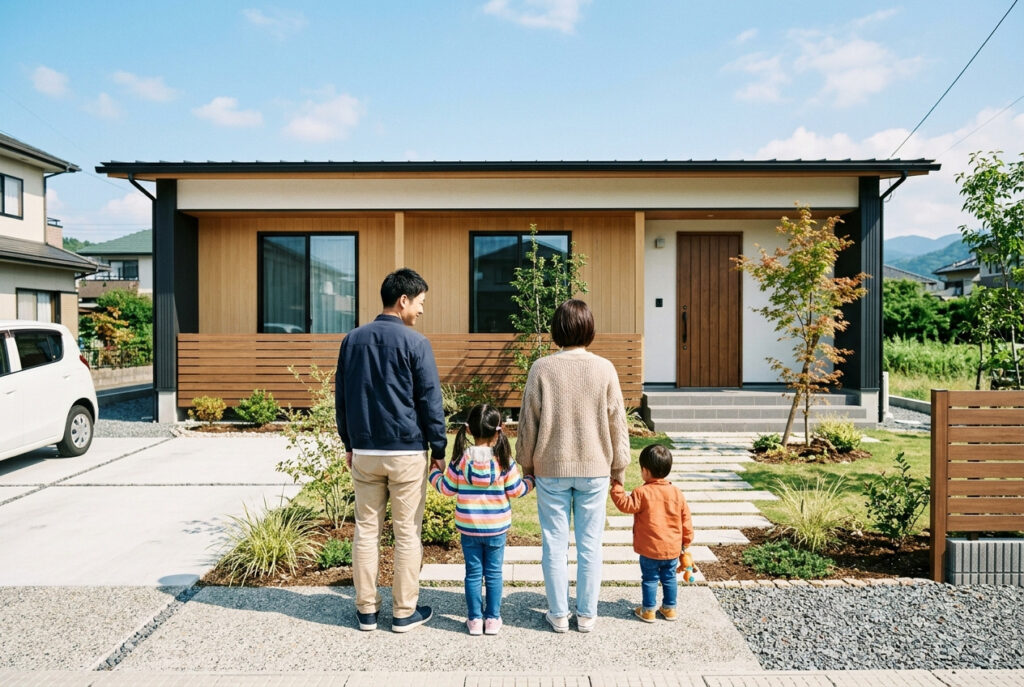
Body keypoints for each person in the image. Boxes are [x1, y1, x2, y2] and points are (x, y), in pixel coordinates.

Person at [335, 268, 446, 633]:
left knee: (366, 532)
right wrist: (439, 447)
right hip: (406, 453)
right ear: (403, 300)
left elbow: (342, 399)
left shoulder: (352, 340)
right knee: (406, 534)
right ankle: (403, 612)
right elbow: (430, 400)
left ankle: (366, 612)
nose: (422, 310)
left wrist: (349, 444)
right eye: (421, 302)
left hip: (365, 451)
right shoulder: (416, 344)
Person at [516, 298, 631, 633]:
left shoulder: (541, 368)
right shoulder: (605, 368)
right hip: (595, 468)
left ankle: (558, 614)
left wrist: (526, 464)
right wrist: (619, 470)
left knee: (554, 543)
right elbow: (617, 424)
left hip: (550, 467)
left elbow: (527, 424)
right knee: (590, 544)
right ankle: (587, 615)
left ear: (556, 330)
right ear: (589, 329)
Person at [429, 403, 534, 636]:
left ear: (468, 430)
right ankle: (493, 619)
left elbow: (446, 488)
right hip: (496, 528)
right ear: (500, 430)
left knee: (473, 573)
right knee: (494, 573)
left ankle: (475, 620)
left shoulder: (460, 460)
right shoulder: (504, 461)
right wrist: (531, 481)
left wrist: (433, 473)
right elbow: (516, 490)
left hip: (468, 528)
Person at [610, 443, 695, 623]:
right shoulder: (677, 493)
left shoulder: (642, 493)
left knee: (649, 578)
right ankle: (669, 608)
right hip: (672, 548)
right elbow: (685, 519)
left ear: (645, 471)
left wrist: (617, 487)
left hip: (649, 548)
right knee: (669, 577)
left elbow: (625, 505)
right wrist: (686, 542)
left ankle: (648, 610)